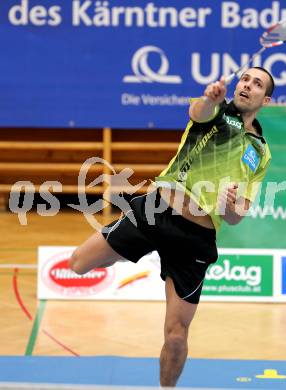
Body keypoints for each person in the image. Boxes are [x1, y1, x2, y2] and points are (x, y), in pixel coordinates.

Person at [69, 66, 274, 387]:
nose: (247, 85)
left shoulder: (260, 151)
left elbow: (238, 216)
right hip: (155, 211)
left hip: (195, 237)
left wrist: (232, 205)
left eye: (257, 83)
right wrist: (209, 98)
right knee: (78, 263)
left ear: (267, 100)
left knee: (177, 336)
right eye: (245, 79)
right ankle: (128, 252)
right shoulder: (217, 110)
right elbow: (198, 111)